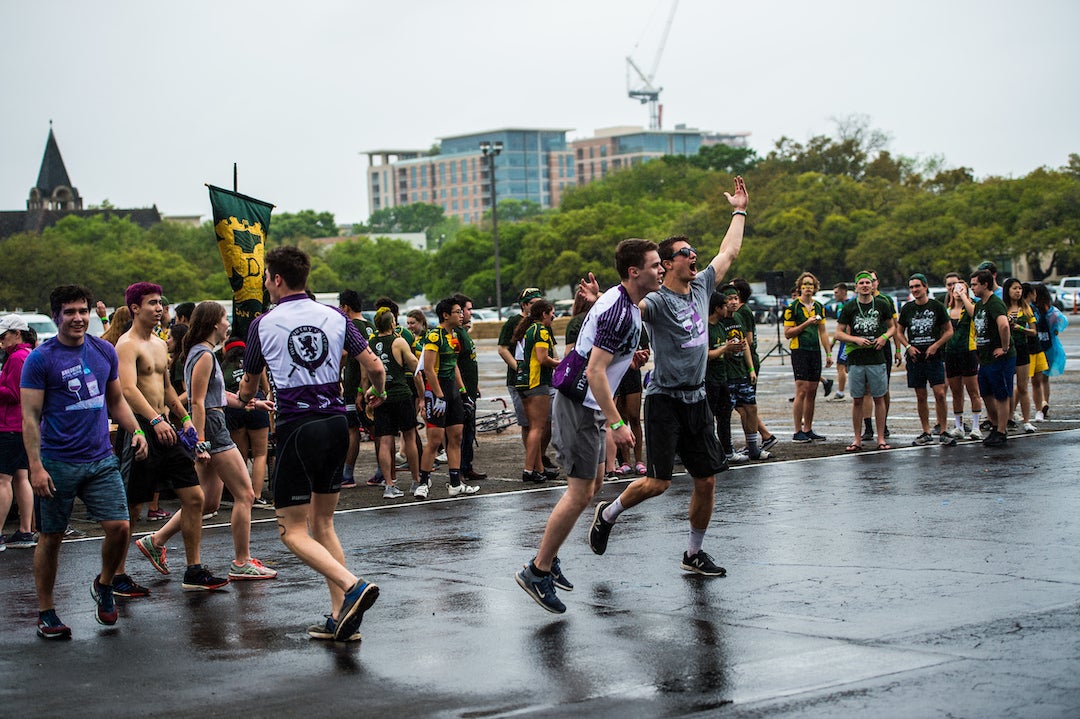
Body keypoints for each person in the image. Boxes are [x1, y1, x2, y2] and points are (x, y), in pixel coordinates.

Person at [588, 177, 748, 580]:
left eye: (693, 251)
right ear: (669, 262)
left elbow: (729, 250)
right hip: (664, 401)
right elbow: (628, 308)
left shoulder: (703, 286)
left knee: (706, 480)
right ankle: (607, 513)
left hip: (697, 399)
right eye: (684, 253)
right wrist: (601, 305)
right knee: (658, 483)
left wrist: (739, 209)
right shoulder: (656, 300)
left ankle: (693, 553)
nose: (694, 256)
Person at [237, 246, 386, 641]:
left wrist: (247, 398)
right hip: (337, 422)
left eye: (267, 278)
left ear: (277, 279)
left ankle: (351, 585)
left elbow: (249, 384)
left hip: (297, 427)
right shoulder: (335, 316)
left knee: (291, 530)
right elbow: (375, 365)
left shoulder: (263, 325)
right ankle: (342, 617)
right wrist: (377, 394)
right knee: (323, 523)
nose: (267, 284)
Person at [514, 238, 663, 613]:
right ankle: (538, 569)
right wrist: (617, 424)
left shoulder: (621, 303)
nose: (660, 270)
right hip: (582, 404)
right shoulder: (617, 309)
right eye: (655, 264)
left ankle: (550, 554)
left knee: (593, 485)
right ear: (635, 272)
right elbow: (595, 371)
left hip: (592, 404)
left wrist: (625, 357)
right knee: (580, 492)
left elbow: (603, 353)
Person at [21, 285, 149, 638]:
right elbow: (30, 417)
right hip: (57, 462)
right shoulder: (40, 359)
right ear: (55, 316)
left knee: (120, 527)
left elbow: (116, 399)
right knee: (51, 537)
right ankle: (46, 611)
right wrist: (35, 466)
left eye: (83, 310)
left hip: (100, 459)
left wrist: (136, 430)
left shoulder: (103, 350)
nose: (78, 317)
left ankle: (105, 584)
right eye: (70, 312)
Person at [116, 282, 222, 591]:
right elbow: (127, 389)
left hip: (166, 425)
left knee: (195, 497)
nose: (159, 308)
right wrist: (153, 420)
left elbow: (166, 388)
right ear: (135, 308)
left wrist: (185, 418)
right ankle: (117, 575)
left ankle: (194, 570)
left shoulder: (161, 343)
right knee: (133, 506)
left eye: (161, 302)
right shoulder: (127, 344)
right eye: (151, 303)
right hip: (140, 428)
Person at [178, 301, 277, 579]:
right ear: (213, 324)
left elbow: (216, 398)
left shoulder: (203, 353)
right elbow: (197, 402)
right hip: (212, 427)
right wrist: (199, 443)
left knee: (207, 502)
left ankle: (157, 540)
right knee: (245, 494)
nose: (228, 323)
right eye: (224, 318)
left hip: (211, 422)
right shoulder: (205, 355)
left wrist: (253, 404)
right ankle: (241, 561)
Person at [417, 297, 478, 499]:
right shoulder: (435, 336)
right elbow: (428, 370)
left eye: (462, 312)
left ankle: (454, 482)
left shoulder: (454, 336)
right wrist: (439, 396)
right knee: (434, 440)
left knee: (456, 437)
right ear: (445, 315)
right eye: (457, 312)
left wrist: (463, 393)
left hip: (452, 390)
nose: (462, 315)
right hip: (437, 390)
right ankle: (423, 482)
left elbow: (454, 366)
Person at [834, 271, 896, 451]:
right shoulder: (849, 307)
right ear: (856, 286)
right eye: (861, 283)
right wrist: (855, 339)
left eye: (868, 282)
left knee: (879, 397)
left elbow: (893, 328)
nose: (865, 285)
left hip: (877, 357)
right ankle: (857, 439)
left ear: (873, 285)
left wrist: (884, 337)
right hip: (856, 359)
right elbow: (838, 333)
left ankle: (881, 438)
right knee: (857, 399)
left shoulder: (882, 304)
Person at [366, 307, 422, 499]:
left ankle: (389, 485)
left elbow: (367, 372)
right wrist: (422, 395)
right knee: (410, 438)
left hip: (381, 395)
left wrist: (367, 391)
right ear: (392, 324)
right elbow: (414, 365)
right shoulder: (399, 342)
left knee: (384, 441)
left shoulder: (370, 343)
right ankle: (416, 481)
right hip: (401, 394)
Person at [896, 273, 955, 446]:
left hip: (933, 357)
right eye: (912, 287)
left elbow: (949, 330)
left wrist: (936, 345)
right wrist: (908, 346)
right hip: (915, 358)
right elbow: (899, 331)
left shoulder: (936, 306)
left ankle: (943, 430)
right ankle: (926, 431)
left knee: (940, 394)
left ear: (925, 287)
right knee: (920, 396)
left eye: (917, 286)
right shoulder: (907, 308)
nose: (915, 290)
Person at [220, 336, 272, 506]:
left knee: (239, 454)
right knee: (260, 454)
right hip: (257, 405)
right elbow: (266, 388)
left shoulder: (223, 367)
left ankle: (242, 494)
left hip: (235, 408)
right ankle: (256, 495)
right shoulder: (254, 363)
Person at [513, 299, 560, 483]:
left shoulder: (529, 328)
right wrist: (562, 364)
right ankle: (528, 470)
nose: (553, 316)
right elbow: (542, 358)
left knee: (534, 428)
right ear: (544, 314)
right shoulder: (540, 330)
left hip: (524, 382)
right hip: (536, 382)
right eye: (552, 313)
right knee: (537, 429)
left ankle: (539, 468)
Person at [0, 315, 36, 550]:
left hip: (10, 426)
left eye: (3, 336)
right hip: (24, 425)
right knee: (21, 478)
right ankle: (25, 531)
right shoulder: (29, 354)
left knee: (3, 480)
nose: (1, 341)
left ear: (17, 334)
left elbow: (13, 393)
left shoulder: (16, 358)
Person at [783, 272, 832, 442]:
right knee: (801, 389)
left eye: (811, 285)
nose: (808, 287)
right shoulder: (793, 307)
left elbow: (823, 332)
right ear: (800, 287)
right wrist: (806, 323)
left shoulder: (819, 307)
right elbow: (788, 333)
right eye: (805, 284)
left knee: (812, 390)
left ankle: (808, 428)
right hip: (799, 350)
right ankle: (797, 431)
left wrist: (828, 352)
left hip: (814, 350)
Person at [970, 269, 1014, 447]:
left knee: (1001, 394)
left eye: (974, 284)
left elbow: (1003, 325)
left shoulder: (995, 303)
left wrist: (1004, 347)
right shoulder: (980, 304)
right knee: (986, 393)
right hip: (985, 358)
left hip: (1000, 358)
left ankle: (1002, 431)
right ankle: (995, 427)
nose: (972, 287)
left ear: (985, 284)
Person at [498, 288, 544, 453]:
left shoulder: (541, 322)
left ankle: (541, 456)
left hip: (540, 378)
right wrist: (519, 369)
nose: (537, 306)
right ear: (524, 305)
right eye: (533, 303)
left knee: (544, 422)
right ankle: (532, 460)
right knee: (527, 422)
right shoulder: (513, 322)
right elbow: (502, 349)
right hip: (520, 380)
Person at [338, 290, 375, 488]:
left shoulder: (350, 326)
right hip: (373, 386)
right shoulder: (371, 325)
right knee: (375, 429)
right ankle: (382, 471)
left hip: (356, 387)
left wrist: (337, 378)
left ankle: (348, 474)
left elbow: (344, 354)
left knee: (352, 430)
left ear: (346, 307)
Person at [942, 273, 983, 441]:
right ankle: (958, 426)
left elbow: (974, 314)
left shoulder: (971, 307)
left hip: (968, 352)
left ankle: (976, 426)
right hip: (951, 354)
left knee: (973, 391)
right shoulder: (947, 311)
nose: (956, 290)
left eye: (961, 287)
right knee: (956, 391)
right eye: (954, 288)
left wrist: (964, 296)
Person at [452, 293, 486, 482]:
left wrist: (475, 385)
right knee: (464, 431)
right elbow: (454, 363)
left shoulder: (464, 331)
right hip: (461, 392)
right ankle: (462, 468)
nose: (470, 312)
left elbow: (468, 362)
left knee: (469, 430)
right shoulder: (456, 334)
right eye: (467, 309)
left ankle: (466, 465)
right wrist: (463, 389)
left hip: (470, 389)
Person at [1002, 278, 1037, 434]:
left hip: (1022, 349)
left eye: (1020, 289)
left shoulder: (1026, 308)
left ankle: (1027, 420)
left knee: (1022, 386)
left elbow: (1033, 331)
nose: (1018, 291)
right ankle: (1008, 418)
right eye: (1014, 288)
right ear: (1007, 290)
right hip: (1007, 350)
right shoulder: (1002, 308)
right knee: (1007, 386)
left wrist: (1019, 327)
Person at [829, 283, 850, 400]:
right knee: (843, 366)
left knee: (841, 365)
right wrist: (833, 341)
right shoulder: (840, 306)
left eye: (836, 292)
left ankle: (840, 392)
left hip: (848, 340)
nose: (834, 295)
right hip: (842, 339)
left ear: (843, 292)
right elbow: (839, 326)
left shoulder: (850, 305)